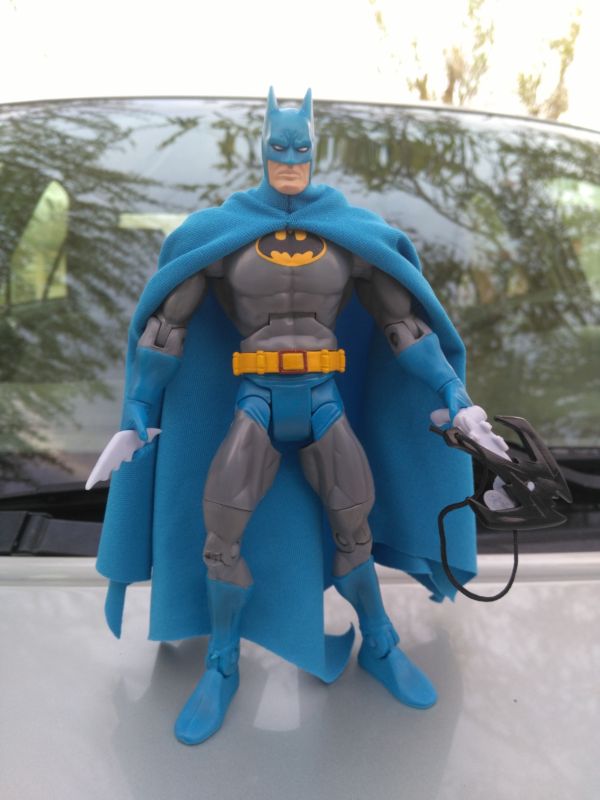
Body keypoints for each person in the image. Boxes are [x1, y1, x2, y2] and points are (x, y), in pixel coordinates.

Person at [95, 88, 477, 745]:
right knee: (220, 536)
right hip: (257, 400)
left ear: (315, 150)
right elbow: (165, 331)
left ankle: (379, 641)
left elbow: (406, 328)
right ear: (265, 148)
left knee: (354, 529)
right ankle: (222, 662)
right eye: (281, 147)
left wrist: (451, 391)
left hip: (324, 400)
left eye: (302, 148)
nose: (292, 159)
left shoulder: (351, 238)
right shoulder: (220, 239)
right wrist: (139, 408)